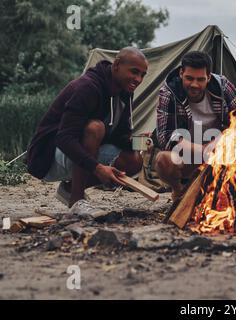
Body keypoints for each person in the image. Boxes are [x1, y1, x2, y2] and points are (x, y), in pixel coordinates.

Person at [26, 47, 148, 216]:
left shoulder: (125, 92)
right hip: (48, 158)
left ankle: (70, 189)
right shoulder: (87, 87)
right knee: (95, 128)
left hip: (77, 156)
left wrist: (140, 142)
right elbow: (64, 138)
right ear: (117, 65)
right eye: (134, 72)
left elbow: (119, 137)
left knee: (134, 160)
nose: (138, 79)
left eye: (142, 75)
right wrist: (97, 168)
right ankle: (76, 201)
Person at [154, 51, 236, 200]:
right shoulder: (168, 92)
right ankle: (179, 191)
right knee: (163, 159)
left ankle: (229, 186)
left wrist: (218, 142)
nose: (194, 84)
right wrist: (203, 150)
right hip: (188, 156)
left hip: (220, 154)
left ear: (209, 77)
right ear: (181, 73)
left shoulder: (221, 85)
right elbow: (165, 137)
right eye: (189, 78)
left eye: (200, 79)